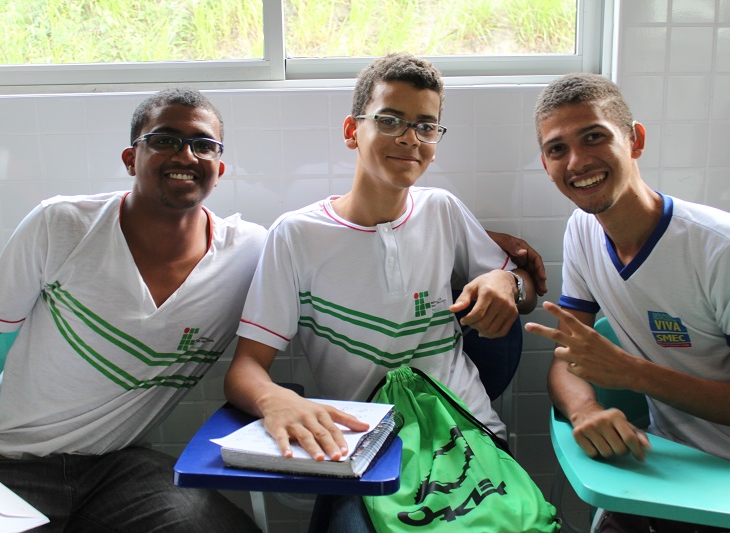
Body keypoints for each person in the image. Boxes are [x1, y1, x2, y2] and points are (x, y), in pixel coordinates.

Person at [224, 53, 545, 531]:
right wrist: (274, 400)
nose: (410, 138)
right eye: (390, 120)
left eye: (426, 126)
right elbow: (245, 368)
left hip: (468, 436)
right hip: (364, 452)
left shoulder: (442, 210)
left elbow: (526, 291)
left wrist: (508, 281)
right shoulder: (296, 236)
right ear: (352, 131)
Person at [524, 72, 730, 530]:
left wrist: (633, 374)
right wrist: (586, 409)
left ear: (635, 140)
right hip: (666, 467)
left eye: (594, 137)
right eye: (557, 149)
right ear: (546, 164)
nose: (577, 161)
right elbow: (568, 357)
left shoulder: (727, 247)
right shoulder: (582, 230)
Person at [0, 88, 263, 532]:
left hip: (118, 468)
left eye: (203, 145)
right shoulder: (60, 224)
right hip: (9, 461)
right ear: (130, 159)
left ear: (219, 169)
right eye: (164, 140)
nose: (186, 155)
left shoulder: (249, 252)